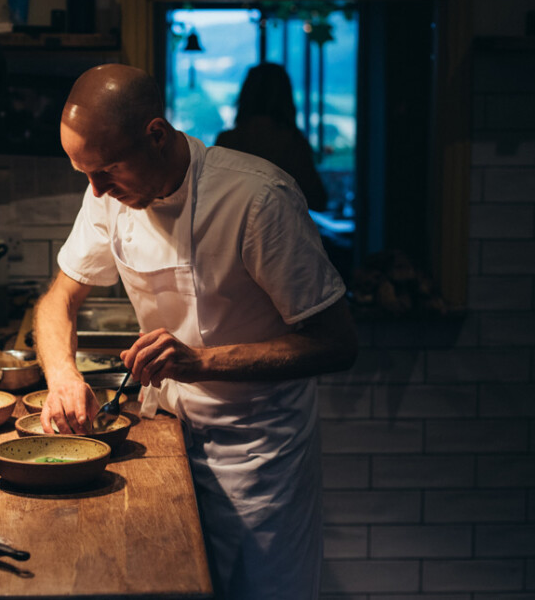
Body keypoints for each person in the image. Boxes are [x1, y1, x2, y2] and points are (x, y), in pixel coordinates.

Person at [33, 63, 358, 600]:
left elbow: (337, 343)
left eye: (107, 170)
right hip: (165, 439)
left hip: (257, 457)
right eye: (84, 174)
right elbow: (58, 299)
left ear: (156, 135)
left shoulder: (257, 199)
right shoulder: (106, 193)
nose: (96, 190)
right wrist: (62, 377)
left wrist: (200, 362)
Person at [215, 62, 328, 211]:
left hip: (233, 232)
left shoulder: (227, 141)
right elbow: (317, 200)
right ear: (285, 97)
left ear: (245, 94)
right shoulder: (292, 143)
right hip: (283, 231)